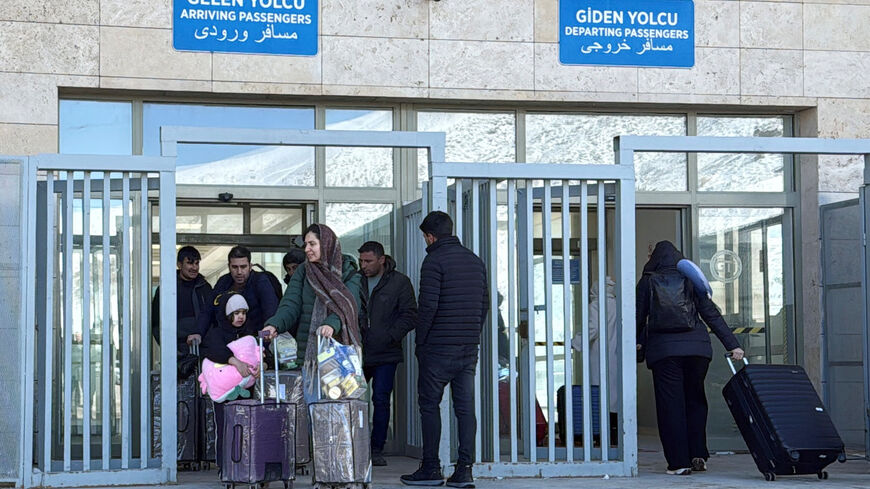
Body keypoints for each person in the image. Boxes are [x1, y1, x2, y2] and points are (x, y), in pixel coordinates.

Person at [636, 241, 745, 476]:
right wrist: (733, 344)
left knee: (670, 406)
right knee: (695, 401)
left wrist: (636, 345)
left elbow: (639, 316)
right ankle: (698, 454)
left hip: (665, 353)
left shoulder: (647, 281)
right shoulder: (690, 279)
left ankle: (678, 463)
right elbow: (710, 313)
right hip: (697, 351)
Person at [401, 211, 488, 489]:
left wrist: (421, 342)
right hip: (467, 348)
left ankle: (431, 468)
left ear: (430, 236)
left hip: (437, 347)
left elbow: (428, 307)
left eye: (425, 237)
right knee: (465, 409)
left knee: (429, 406)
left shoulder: (433, 261)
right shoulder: (475, 261)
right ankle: (465, 470)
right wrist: (472, 335)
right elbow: (484, 304)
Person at [261, 223, 362, 377]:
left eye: (312, 244)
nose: (307, 249)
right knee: (311, 400)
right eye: (306, 244)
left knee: (338, 399)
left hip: (340, 354)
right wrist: (274, 325)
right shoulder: (303, 271)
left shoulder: (348, 272)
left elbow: (350, 306)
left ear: (326, 244)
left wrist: (331, 324)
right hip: (308, 354)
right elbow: (290, 304)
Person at [357, 241, 418, 467]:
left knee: (380, 400)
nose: (364, 265)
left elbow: (411, 314)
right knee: (353, 400)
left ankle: (376, 448)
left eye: (369, 261)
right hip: (358, 351)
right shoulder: (356, 280)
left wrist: (390, 336)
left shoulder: (399, 282)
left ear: (382, 259)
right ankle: (355, 446)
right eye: (362, 260)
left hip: (386, 352)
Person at [201, 293, 261, 472]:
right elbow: (211, 350)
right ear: (227, 315)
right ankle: (225, 465)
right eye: (236, 313)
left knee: (247, 426)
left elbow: (262, 353)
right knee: (225, 426)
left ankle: (245, 464)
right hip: (224, 392)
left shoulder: (250, 332)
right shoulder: (217, 333)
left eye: (243, 312)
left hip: (247, 389)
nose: (240, 316)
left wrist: (262, 365)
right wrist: (234, 361)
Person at [151, 245, 213, 378]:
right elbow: (156, 323)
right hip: (177, 353)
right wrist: (170, 349)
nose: (194, 267)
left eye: (197, 263)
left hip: (203, 350)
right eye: (190, 263)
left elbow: (212, 318)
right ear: (179, 264)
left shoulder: (205, 288)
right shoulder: (167, 288)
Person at [197, 245, 279, 339]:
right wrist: (198, 333)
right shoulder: (223, 281)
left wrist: (262, 341)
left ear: (250, 266)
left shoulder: (261, 281)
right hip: (227, 341)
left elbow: (271, 313)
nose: (239, 272)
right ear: (229, 266)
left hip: (255, 340)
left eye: (243, 267)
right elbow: (208, 309)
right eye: (235, 267)